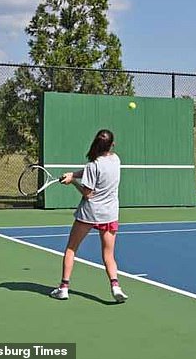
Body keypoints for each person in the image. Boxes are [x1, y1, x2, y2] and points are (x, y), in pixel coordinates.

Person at [50, 129, 128, 302]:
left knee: (71, 248)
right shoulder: (115, 160)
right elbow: (92, 171)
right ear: (112, 145)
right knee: (108, 254)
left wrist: (73, 182)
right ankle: (116, 286)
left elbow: (88, 194)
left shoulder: (93, 166)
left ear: (95, 143)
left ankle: (63, 288)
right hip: (109, 214)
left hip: (89, 213)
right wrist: (74, 174)